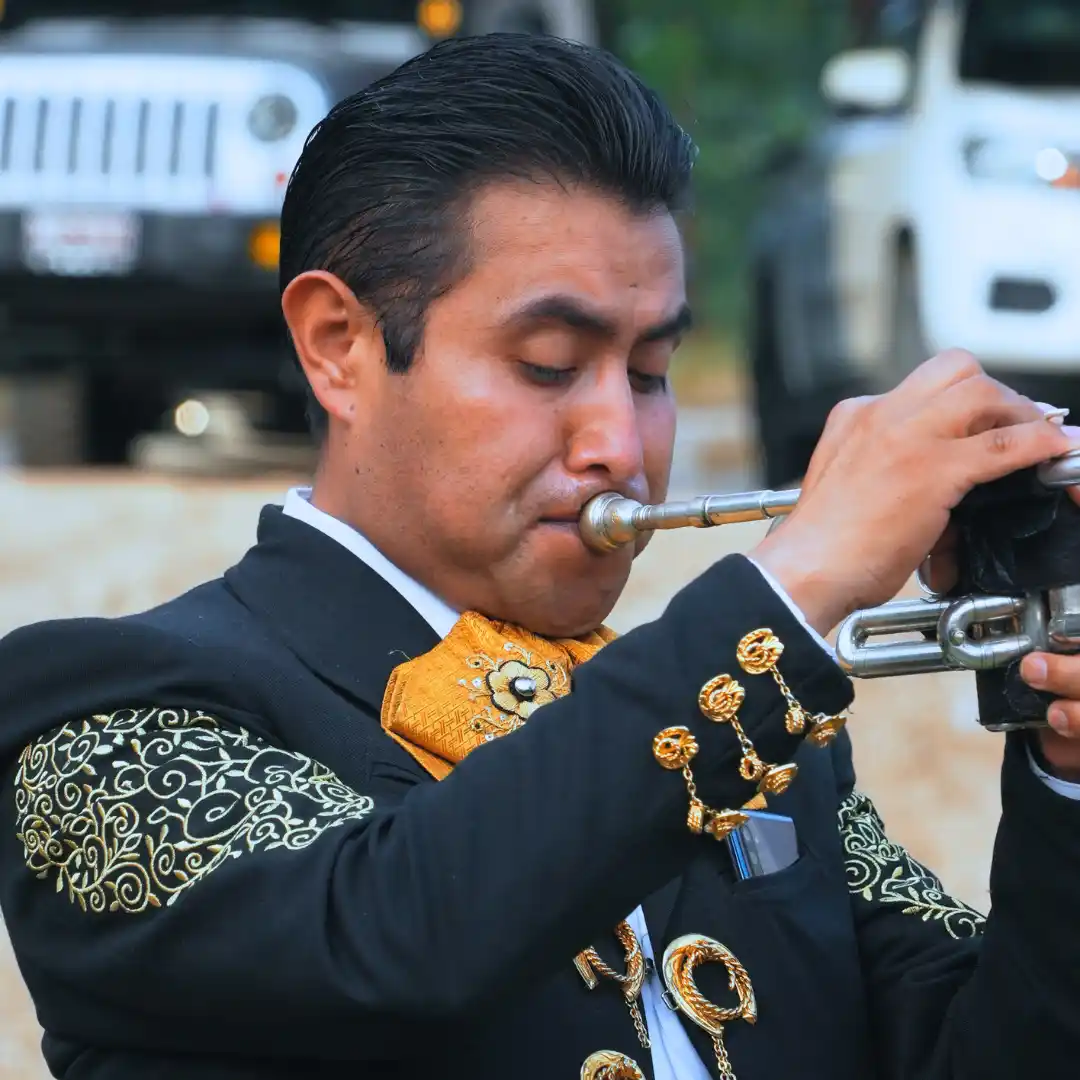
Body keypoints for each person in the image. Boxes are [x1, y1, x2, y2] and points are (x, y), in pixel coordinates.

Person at [1, 33, 1080, 1080]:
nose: (621, 444)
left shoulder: (766, 729)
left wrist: (1063, 763)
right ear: (340, 345)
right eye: (549, 364)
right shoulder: (100, 714)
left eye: (652, 372)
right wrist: (799, 582)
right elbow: (399, 936)